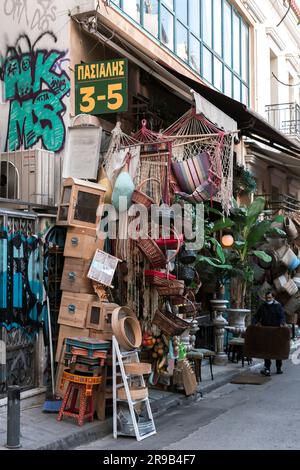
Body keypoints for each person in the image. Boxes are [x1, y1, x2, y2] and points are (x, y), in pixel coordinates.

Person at [253, 291, 286, 376]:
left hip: (276, 332)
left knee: (277, 350)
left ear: (273, 298)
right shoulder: (263, 306)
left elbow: (282, 316)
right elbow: (257, 316)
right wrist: (254, 323)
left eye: (270, 298)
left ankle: (279, 368)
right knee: (266, 350)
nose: (268, 299)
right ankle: (267, 368)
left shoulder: (278, 306)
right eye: (267, 298)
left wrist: (282, 324)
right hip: (265, 332)